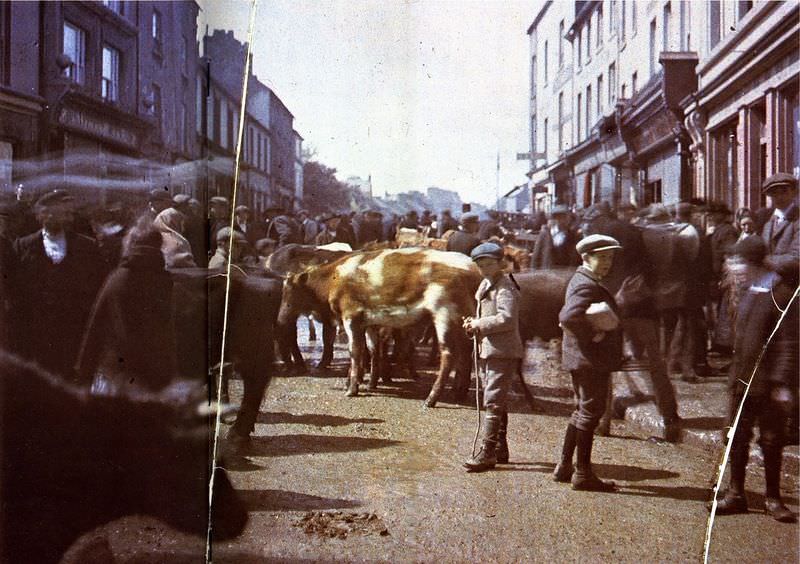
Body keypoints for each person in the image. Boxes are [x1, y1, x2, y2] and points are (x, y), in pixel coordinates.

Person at [710, 235, 798, 523]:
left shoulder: (781, 293)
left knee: (771, 440)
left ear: (755, 263)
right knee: (737, 435)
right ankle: (736, 494)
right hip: (742, 379)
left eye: (739, 262)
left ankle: (773, 497)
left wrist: (783, 383)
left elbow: (788, 343)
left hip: (769, 383)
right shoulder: (748, 290)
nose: (734, 267)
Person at [75, 218, 178, 395]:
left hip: (119, 374)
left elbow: (95, 326)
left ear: (130, 243)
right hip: (158, 374)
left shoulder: (118, 278)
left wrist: (83, 371)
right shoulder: (166, 281)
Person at [553, 234, 623, 492]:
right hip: (590, 359)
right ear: (586, 258)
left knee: (581, 410)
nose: (607, 263)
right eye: (601, 258)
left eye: (610, 258)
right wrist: (593, 335)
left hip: (581, 358)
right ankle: (582, 473)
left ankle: (564, 466)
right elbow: (569, 317)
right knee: (591, 413)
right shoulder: (587, 284)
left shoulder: (584, 279)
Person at [9, 190, 104, 377]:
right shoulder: (23, 247)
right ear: (43, 215)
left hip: (72, 337)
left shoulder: (86, 248)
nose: (67, 218)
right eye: (62, 213)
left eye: (68, 213)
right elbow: (14, 292)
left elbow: (96, 289)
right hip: (35, 339)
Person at [462, 242, 523, 472]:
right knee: (496, 397)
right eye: (481, 265)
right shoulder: (488, 283)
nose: (485, 269)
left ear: (501, 264)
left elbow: (507, 319)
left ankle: (487, 452)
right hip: (490, 348)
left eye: (490, 264)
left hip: (503, 350)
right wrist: (473, 323)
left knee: (493, 399)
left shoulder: (505, 287)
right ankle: (500, 448)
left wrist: (479, 324)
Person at [531, 205, 580, 269]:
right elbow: (536, 257)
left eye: (566, 217)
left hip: (565, 275)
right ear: (555, 218)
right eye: (560, 217)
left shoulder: (573, 236)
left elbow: (576, 259)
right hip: (546, 274)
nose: (563, 220)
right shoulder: (545, 235)